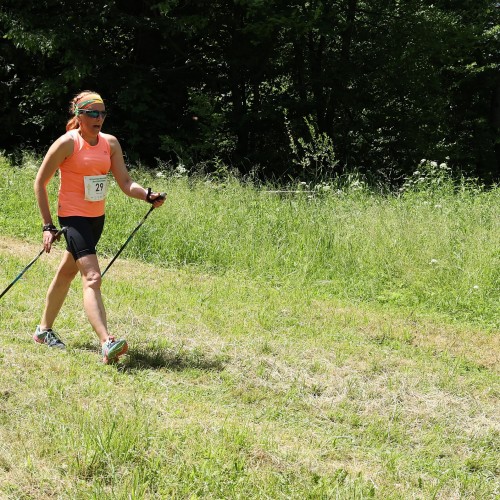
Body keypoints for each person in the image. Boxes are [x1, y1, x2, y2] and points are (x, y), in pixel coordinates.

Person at [33, 90, 165, 363]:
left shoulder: (110, 144)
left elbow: (126, 183)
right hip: (72, 218)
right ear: (79, 115)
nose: (99, 118)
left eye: (102, 113)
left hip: (96, 219)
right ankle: (107, 342)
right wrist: (48, 225)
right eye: (92, 113)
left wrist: (147, 195)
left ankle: (43, 331)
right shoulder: (67, 143)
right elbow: (40, 183)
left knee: (66, 274)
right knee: (92, 277)